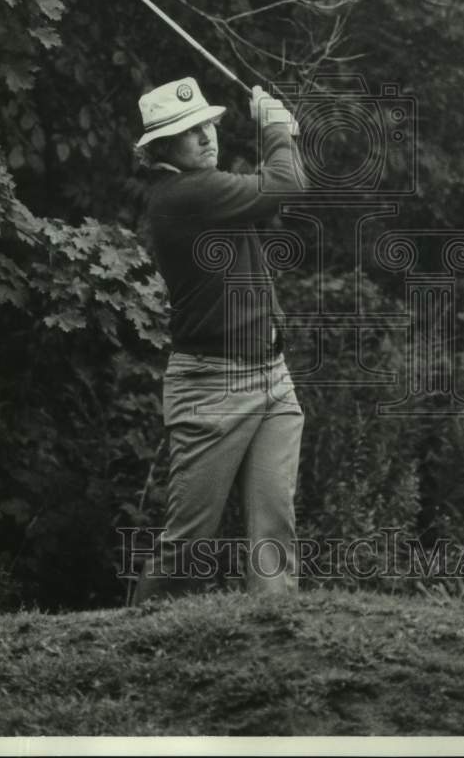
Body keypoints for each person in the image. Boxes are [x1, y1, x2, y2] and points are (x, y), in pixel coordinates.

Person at [132, 76, 307, 604]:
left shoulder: (208, 188)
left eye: (207, 124)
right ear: (164, 149)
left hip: (273, 379)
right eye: (190, 131)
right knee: (187, 545)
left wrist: (280, 137)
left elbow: (280, 180)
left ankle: (277, 638)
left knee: (274, 529)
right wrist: (275, 126)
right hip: (213, 389)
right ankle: (134, 650)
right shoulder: (183, 196)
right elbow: (286, 184)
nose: (207, 136)